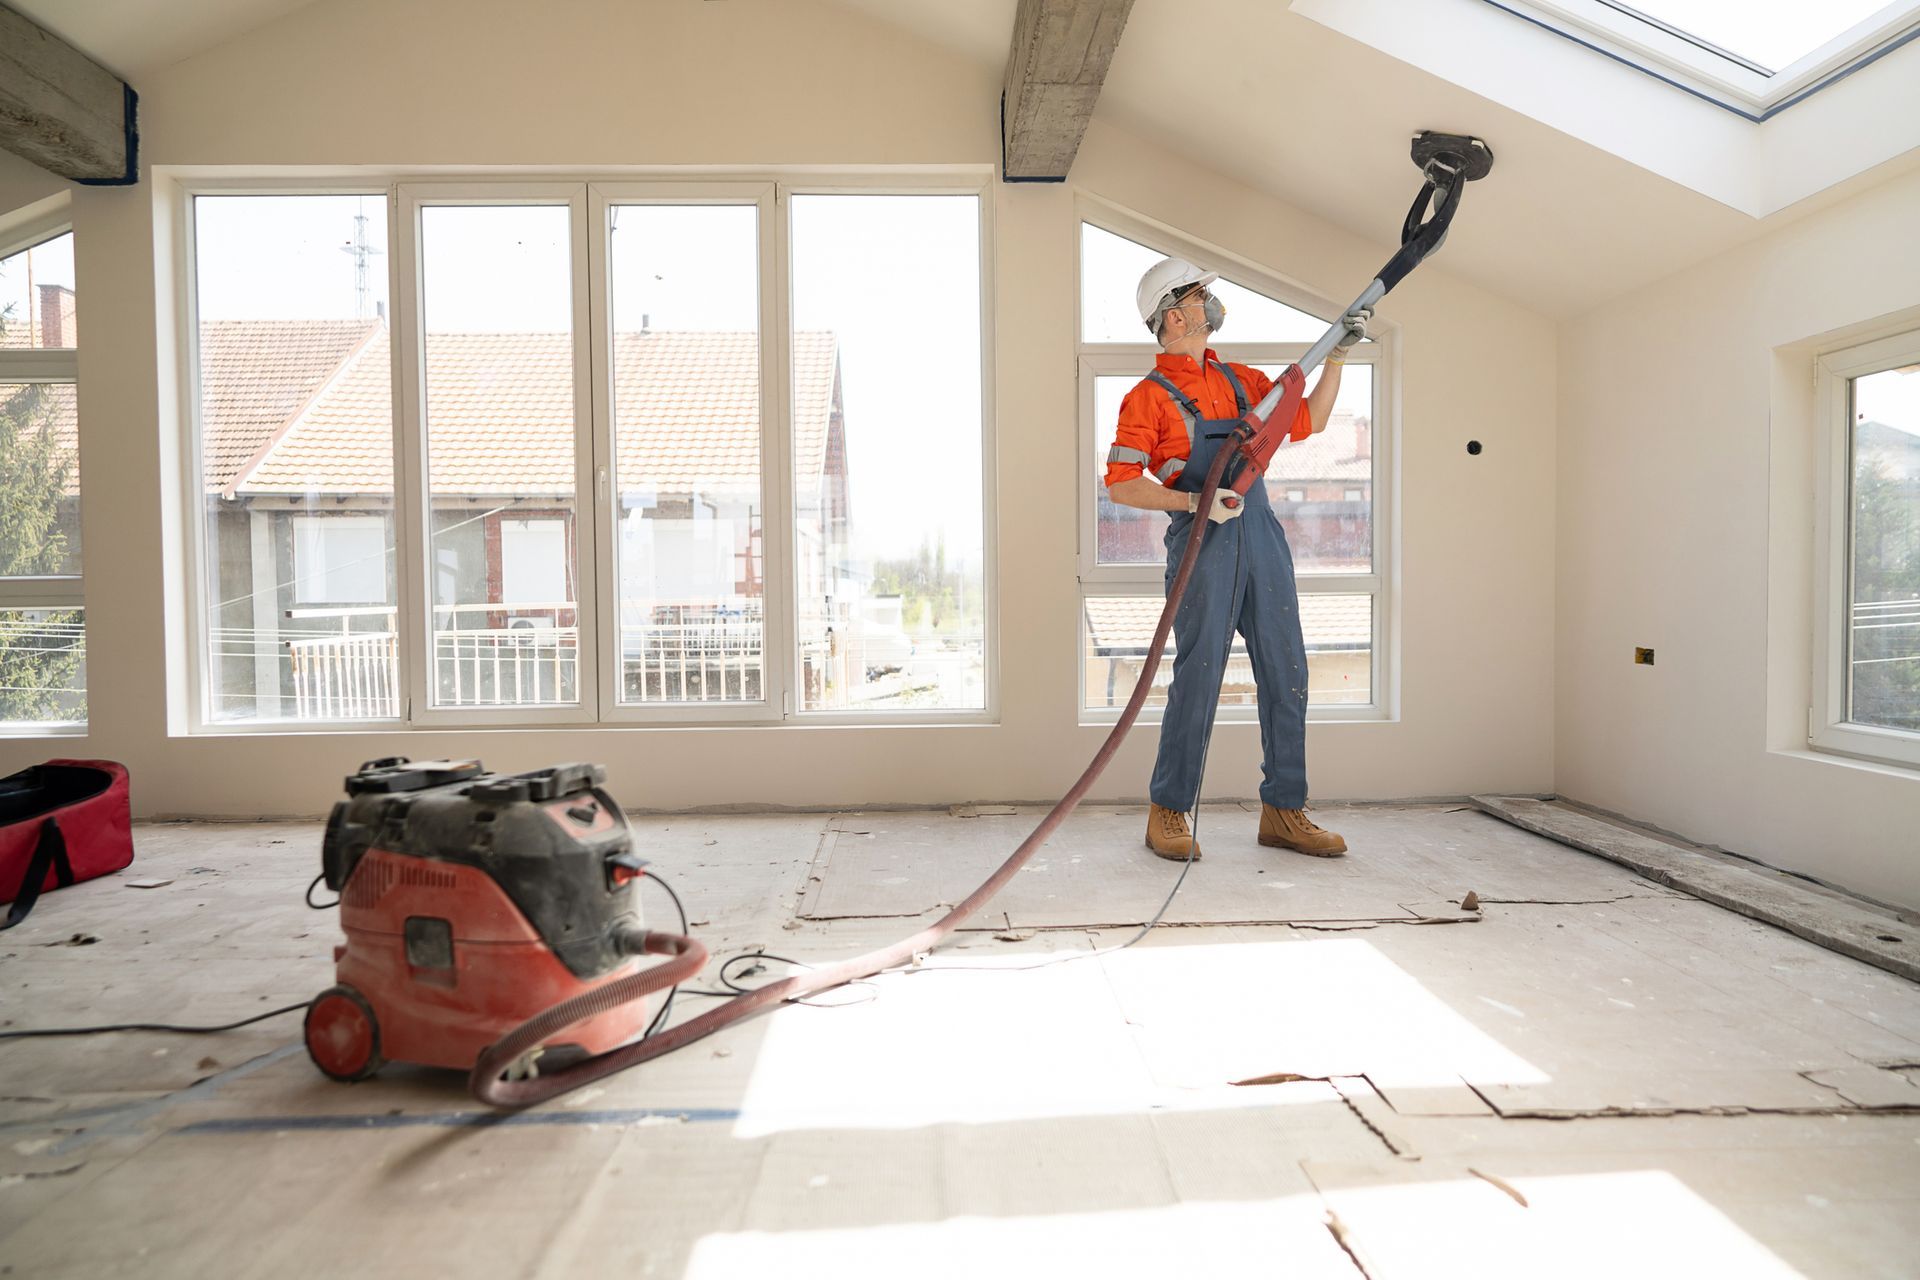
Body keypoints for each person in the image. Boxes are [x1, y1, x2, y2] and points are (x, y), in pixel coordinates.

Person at [1104, 258, 1368, 861]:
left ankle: (1284, 810)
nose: (1211, 306)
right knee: (1198, 677)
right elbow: (1121, 484)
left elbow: (1313, 417)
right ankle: (1168, 812)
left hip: (1263, 535)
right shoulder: (1145, 400)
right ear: (1176, 314)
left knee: (1288, 670)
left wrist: (1338, 357)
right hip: (1204, 542)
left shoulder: (1245, 382)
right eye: (1201, 297)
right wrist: (1195, 501)